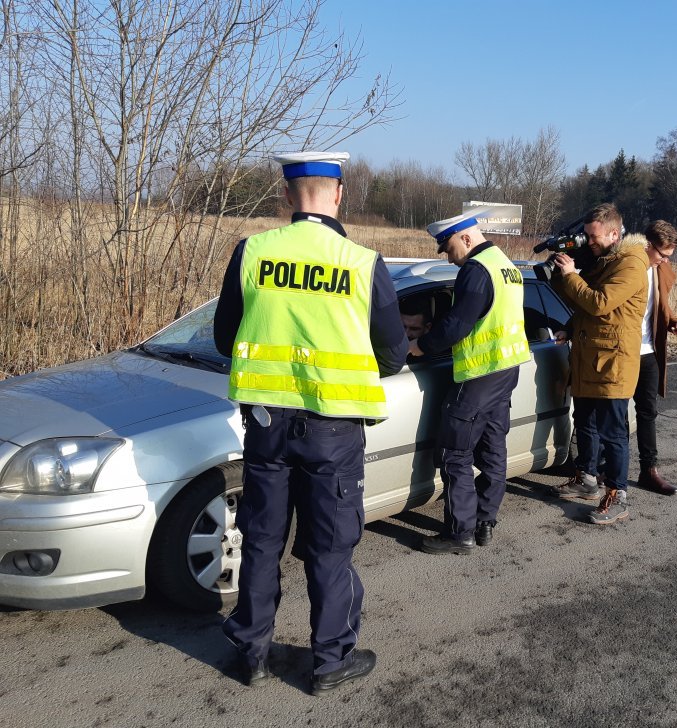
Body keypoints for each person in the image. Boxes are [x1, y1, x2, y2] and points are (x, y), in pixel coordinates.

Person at [212, 151, 408, 694]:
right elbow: (393, 355)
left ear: (285, 195)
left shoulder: (252, 252)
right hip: (333, 429)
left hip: (266, 424)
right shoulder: (363, 262)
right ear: (339, 194)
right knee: (330, 545)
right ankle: (329, 661)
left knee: (261, 539)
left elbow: (226, 338)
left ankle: (250, 652)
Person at [408, 209, 529, 554]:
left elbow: (457, 324)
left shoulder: (477, 271)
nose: (448, 256)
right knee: (492, 446)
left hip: (479, 373)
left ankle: (459, 533)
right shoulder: (504, 263)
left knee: (454, 451)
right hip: (506, 370)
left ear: (465, 237)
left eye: (447, 248)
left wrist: (419, 346)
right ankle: (485, 521)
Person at [551, 203, 649, 525]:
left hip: (613, 363)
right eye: (587, 235)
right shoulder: (605, 259)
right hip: (590, 357)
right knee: (586, 422)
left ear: (614, 233)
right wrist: (561, 271)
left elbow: (599, 302)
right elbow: (581, 300)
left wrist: (572, 276)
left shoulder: (631, 264)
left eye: (594, 237)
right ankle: (587, 479)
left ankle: (618, 494)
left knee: (612, 432)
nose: (589, 242)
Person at [634, 219, 677, 495]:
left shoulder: (661, 270)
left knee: (648, 412)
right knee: (612, 415)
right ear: (647, 244)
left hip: (649, 352)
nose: (665, 261)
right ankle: (600, 471)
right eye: (663, 254)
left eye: (669, 256)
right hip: (622, 352)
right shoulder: (628, 265)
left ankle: (649, 470)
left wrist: (673, 322)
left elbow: (661, 307)